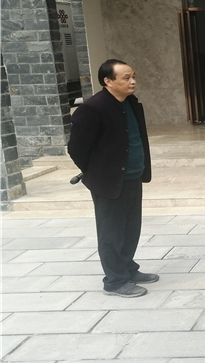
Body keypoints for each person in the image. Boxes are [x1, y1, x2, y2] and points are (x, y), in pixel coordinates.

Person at [67, 59, 157, 298]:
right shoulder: (93, 108)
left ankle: (127, 268)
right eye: (126, 78)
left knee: (131, 227)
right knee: (111, 232)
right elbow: (76, 148)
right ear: (108, 81)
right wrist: (95, 171)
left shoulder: (131, 103)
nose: (132, 81)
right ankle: (115, 282)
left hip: (133, 176)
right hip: (108, 181)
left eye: (133, 76)